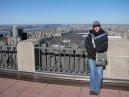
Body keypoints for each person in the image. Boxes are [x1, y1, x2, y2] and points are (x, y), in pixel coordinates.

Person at [85, 21, 108, 95]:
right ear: (93, 27)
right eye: (95, 26)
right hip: (91, 57)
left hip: (100, 56)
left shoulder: (104, 35)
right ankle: (92, 88)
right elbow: (87, 44)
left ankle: (97, 89)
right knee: (92, 73)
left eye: (97, 26)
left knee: (99, 74)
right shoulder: (90, 35)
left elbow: (105, 46)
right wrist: (91, 52)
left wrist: (95, 50)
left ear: (100, 26)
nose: (96, 28)